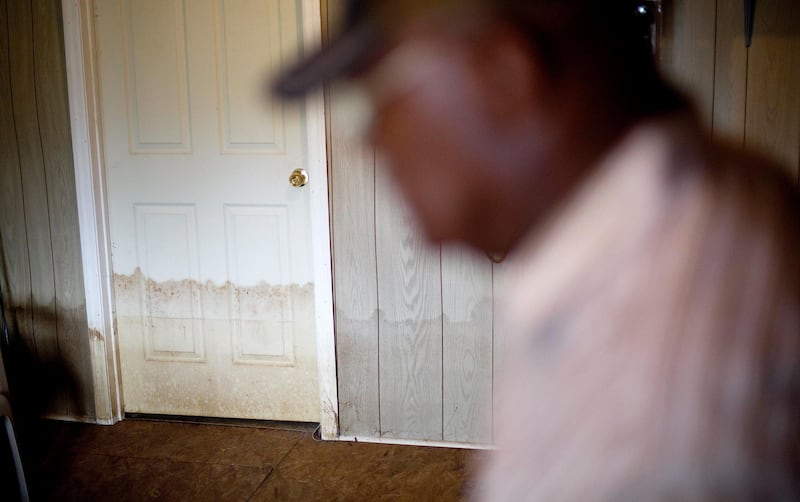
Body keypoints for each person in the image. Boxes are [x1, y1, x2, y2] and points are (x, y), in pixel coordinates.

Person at [275, 0, 800, 500]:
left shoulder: (642, 421)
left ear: (505, 73)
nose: (372, 140)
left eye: (378, 92)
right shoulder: (722, 198)